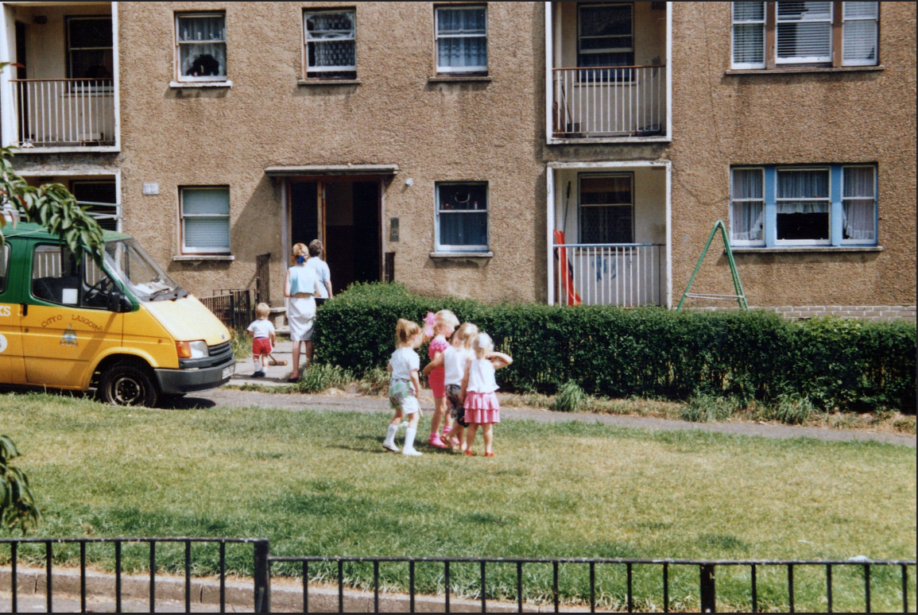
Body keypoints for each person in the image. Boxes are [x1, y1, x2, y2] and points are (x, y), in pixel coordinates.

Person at [461, 332, 513, 457]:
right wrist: (494, 354)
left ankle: (468, 448)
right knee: (487, 426)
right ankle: (488, 450)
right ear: (489, 348)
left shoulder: (470, 362)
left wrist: (462, 394)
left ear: (473, 347)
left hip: (473, 397)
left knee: (472, 426)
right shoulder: (491, 364)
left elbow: (465, 380)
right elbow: (509, 360)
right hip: (487, 397)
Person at [382, 319, 425, 457]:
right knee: (414, 417)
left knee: (399, 414)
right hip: (405, 387)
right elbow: (413, 374)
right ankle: (408, 447)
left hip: (394, 386)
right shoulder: (413, 355)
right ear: (413, 337)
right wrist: (418, 389)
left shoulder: (396, 353)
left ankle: (389, 440)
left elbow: (389, 368)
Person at [420, 310, 459, 449]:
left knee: (449, 407)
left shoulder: (442, 342)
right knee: (440, 409)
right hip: (439, 379)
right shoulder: (439, 343)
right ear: (443, 326)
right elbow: (437, 361)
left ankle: (447, 434)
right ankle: (434, 437)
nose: (454, 330)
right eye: (452, 326)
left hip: (445, 378)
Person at [285, 243, 322, 383]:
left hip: (296, 306)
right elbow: (318, 291)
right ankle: (310, 369)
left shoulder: (290, 270)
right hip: (308, 305)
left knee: (296, 340)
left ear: (294, 256)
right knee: (308, 340)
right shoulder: (312, 271)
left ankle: (295, 373)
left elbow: (286, 293)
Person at [440, 322, 478, 452]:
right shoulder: (470, 353)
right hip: (461, 387)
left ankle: (461, 445)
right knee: (465, 419)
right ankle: (448, 435)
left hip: (448, 387)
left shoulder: (448, 350)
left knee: (458, 417)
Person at [246, 302, 276, 378]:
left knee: (256, 357)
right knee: (265, 357)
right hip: (266, 340)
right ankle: (264, 371)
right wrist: (273, 342)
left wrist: (252, 336)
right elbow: (273, 334)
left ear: (256, 313)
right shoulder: (269, 323)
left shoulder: (254, 323)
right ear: (268, 313)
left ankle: (257, 371)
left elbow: (250, 332)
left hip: (257, 341)